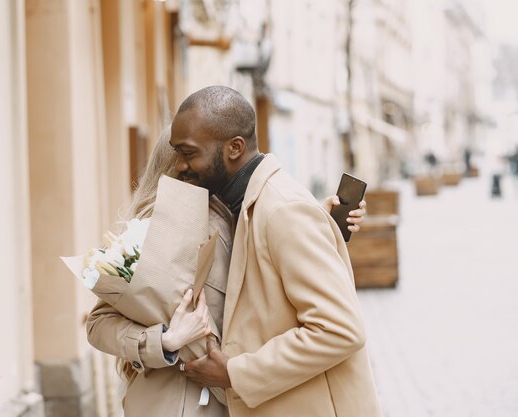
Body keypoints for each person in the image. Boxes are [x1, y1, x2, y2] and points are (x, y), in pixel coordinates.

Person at [86, 123, 367, 416]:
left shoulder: (237, 214)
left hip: (239, 396)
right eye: (188, 157)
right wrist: (166, 340)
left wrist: (313, 220)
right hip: (179, 401)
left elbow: (261, 276)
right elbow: (98, 323)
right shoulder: (150, 232)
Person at [171, 86, 382, 416]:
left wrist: (234, 373)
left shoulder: (283, 210)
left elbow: (341, 329)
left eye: (188, 153)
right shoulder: (241, 204)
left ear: (234, 148)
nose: (180, 166)